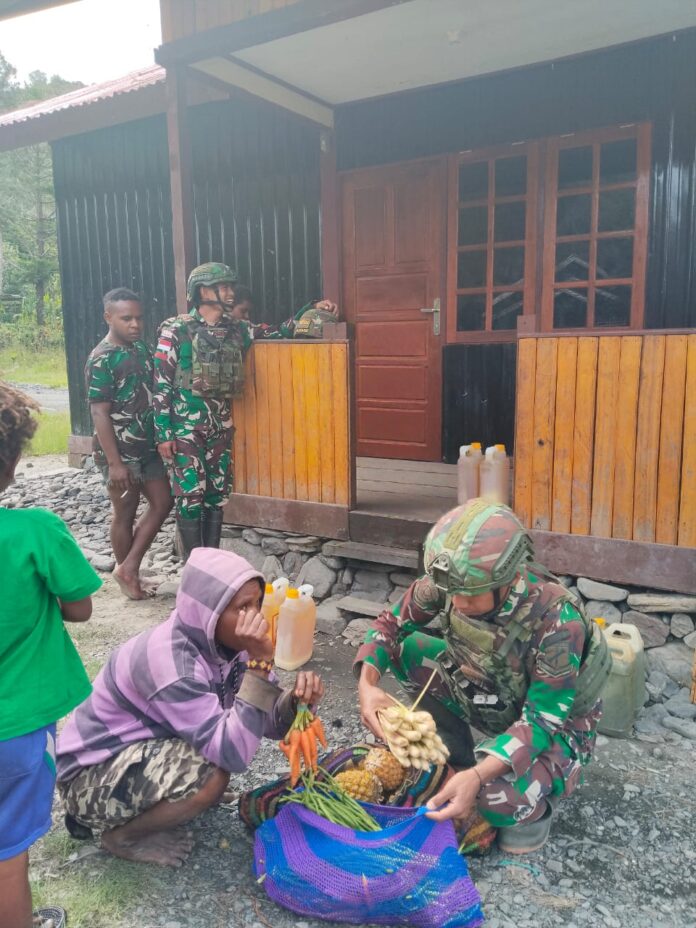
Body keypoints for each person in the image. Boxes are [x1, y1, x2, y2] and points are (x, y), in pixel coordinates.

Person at [355, 499, 611, 854]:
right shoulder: (450, 583)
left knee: (494, 800)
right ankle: (454, 751)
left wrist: (477, 777)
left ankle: (533, 805)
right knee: (401, 650)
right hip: (492, 691)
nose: (457, 603)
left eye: (470, 596)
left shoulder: (557, 621)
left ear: (504, 581)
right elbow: (390, 625)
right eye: (453, 593)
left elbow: (540, 721)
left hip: (553, 725)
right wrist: (367, 685)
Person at [56, 548, 324, 867]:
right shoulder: (171, 662)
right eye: (242, 608)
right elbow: (234, 754)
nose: (257, 619)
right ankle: (122, 837)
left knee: (209, 764)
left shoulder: (227, 646)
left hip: (135, 753)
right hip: (88, 777)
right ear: (208, 612)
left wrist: (295, 704)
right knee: (212, 776)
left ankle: (160, 798)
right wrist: (260, 665)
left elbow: (265, 721)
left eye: (257, 604)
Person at [0, 383, 101, 928]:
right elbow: (80, 609)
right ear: (14, 459)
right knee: (6, 853)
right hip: (14, 731)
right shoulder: (36, 532)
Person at [153, 263, 252, 560]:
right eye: (224, 286)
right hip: (185, 431)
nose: (230, 292)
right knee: (189, 498)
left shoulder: (237, 329)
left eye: (230, 286)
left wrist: (311, 313)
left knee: (216, 497)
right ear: (203, 292)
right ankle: (194, 569)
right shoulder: (177, 329)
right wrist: (163, 434)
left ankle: (213, 566)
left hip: (220, 428)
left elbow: (275, 331)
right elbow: (161, 384)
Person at [85, 288, 172, 599]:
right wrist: (115, 463)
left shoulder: (141, 350)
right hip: (119, 452)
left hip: (147, 448)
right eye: (126, 318)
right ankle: (128, 575)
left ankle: (128, 567)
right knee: (125, 512)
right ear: (108, 317)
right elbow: (99, 411)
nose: (135, 324)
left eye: (138, 318)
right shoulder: (102, 358)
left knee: (163, 502)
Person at [227, 284, 339, 339]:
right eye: (243, 311)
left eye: (248, 312)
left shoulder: (249, 330)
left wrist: (312, 307)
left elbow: (281, 329)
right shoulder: (219, 330)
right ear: (229, 306)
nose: (247, 316)